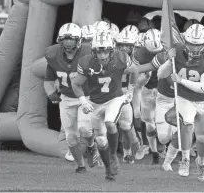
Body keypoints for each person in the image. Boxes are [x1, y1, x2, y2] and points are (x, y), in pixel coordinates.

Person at [71, 29, 139, 181]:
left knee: (110, 122)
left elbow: (134, 71)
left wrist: (131, 90)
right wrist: (83, 100)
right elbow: (76, 84)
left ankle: (114, 155)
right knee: (101, 140)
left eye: (105, 52)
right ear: (94, 52)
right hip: (95, 103)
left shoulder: (121, 58)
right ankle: (109, 170)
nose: (102, 55)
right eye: (99, 52)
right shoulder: (86, 62)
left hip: (114, 99)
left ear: (111, 50)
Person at [158, 24, 204, 182]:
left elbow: (203, 87)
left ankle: (201, 163)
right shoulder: (178, 50)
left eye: (198, 44)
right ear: (185, 41)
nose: (194, 48)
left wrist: (180, 80)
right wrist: (169, 60)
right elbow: (160, 74)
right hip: (184, 98)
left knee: (201, 136)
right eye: (192, 43)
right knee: (187, 124)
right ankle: (185, 160)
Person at [44, 23, 99, 173]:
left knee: (84, 129)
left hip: (86, 96)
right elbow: (48, 80)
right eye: (65, 39)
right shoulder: (53, 55)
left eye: (71, 39)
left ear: (79, 40)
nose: (68, 42)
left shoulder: (88, 52)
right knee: (70, 137)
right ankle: (81, 166)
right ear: (59, 40)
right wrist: (51, 93)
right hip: (67, 98)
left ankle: (91, 146)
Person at [132, 28, 166, 164]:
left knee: (164, 121)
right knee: (148, 121)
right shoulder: (138, 54)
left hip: (164, 89)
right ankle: (154, 152)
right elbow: (133, 75)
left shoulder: (166, 50)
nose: (154, 55)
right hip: (145, 88)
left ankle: (163, 147)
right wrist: (140, 80)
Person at [114, 25, 144, 164]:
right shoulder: (109, 57)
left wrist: (131, 90)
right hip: (110, 93)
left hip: (128, 92)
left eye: (128, 45)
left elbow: (141, 78)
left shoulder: (136, 60)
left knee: (126, 124)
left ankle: (127, 152)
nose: (125, 48)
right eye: (122, 45)